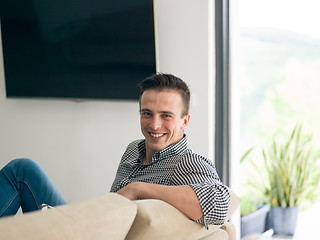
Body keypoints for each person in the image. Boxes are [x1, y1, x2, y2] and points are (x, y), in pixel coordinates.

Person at [0, 73, 230, 227]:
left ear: (185, 121)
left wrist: (138, 188)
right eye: (147, 113)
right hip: (94, 225)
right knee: (22, 170)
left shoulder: (187, 163)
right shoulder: (134, 149)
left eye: (166, 116)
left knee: (21, 172)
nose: (154, 125)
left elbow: (219, 204)